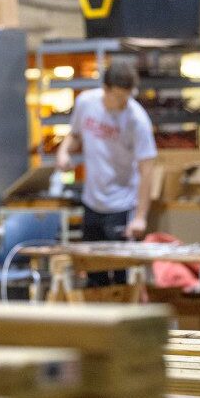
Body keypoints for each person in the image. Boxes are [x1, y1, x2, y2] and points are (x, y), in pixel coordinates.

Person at [56, 60, 157, 286]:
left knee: (120, 274)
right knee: (93, 272)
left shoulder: (137, 120)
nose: (124, 102)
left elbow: (147, 169)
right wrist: (63, 153)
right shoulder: (86, 103)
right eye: (119, 97)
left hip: (121, 204)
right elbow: (74, 135)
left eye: (127, 97)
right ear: (106, 89)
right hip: (92, 201)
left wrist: (140, 216)